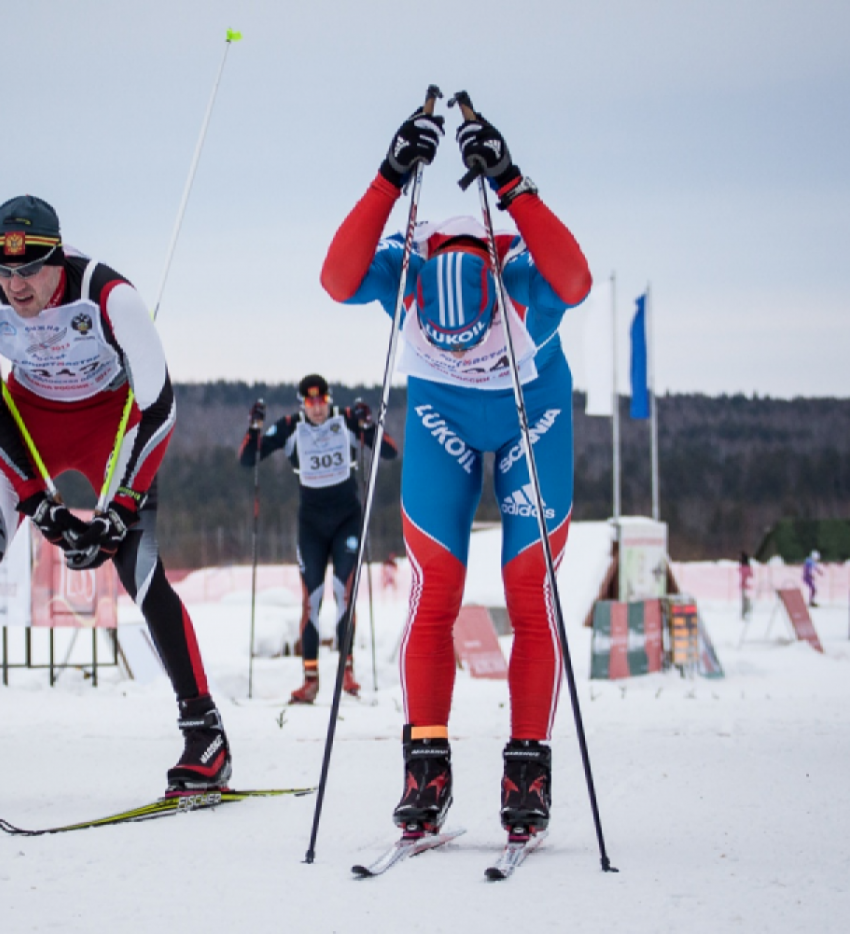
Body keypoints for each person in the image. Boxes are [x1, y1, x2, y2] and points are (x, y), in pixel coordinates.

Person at [0, 195, 231, 802]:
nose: (17, 286)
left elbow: (160, 407)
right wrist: (37, 502)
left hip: (114, 426)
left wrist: (124, 507)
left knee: (140, 571)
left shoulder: (110, 296)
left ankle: (205, 736)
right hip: (26, 430)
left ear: (57, 258)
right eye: (5, 271)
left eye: (30, 269)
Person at [320, 102, 592, 837]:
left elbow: (576, 281)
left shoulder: (523, 274)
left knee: (527, 589)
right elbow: (336, 280)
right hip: (444, 423)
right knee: (434, 587)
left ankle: (527, 768)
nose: (463, 345)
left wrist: (510, 181)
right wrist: (387, 176)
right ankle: (426, 767)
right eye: (450, 339)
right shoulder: (405, 273)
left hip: (531, 418)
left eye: (473, 337)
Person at [238, 375, 398, 703]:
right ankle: (310, 680)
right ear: (302, 404)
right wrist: (254, 428)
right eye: (310, 402)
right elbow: (247, 458)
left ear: (329, 399)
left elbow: (390, 453)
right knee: (312, 601)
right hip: (311, 525)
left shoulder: (345, 420)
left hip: (347, 521)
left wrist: (369, 424)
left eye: (321, 401)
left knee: (344, 594)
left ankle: (347, 671)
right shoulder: (290, 426)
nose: (317, 408)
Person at [739, 551, 754, 621]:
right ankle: (745, 613)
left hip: (745, 586)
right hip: (746, 586)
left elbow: (750, 575)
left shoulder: (743, 568)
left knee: (745, 601)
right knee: (746, 600)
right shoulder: (747, 567)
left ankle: (745, 613)